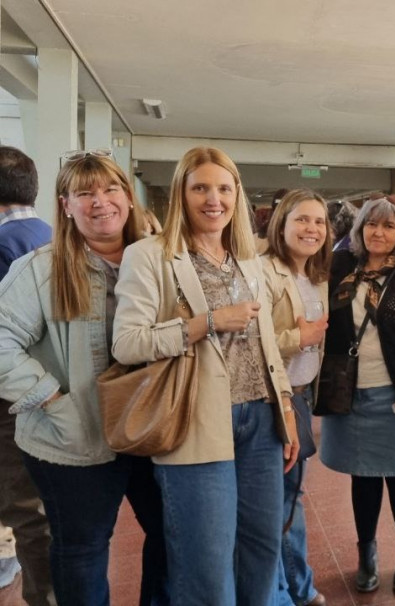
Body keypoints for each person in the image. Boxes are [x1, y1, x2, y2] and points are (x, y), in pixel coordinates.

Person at [113, 146, 299, 605]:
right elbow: (128, 344)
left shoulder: (248, 257)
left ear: (236, 194)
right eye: (200, 188)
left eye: (223, 188)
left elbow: (265, 343)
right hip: (196, 422)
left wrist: (287, 412)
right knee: (206, 565)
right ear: (182, 193)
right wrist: (208, 322)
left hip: (260, 422)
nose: (213, 199)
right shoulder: (150, 255)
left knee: (261, 549)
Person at [0, 151, 168, 605]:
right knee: (83, 549)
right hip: (73, 438)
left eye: (110, 189)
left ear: (129, 199)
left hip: (152, 430)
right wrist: (52, 400)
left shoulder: (159, 260)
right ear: (66, 205)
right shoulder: (42, 268)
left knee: (170, 537)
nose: (100, 202)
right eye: (84, 193)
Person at [319, 197, 395, 594]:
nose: (379, 233)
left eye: (389, 226)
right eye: (372, 224)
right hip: (349, 390)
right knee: (364, 476)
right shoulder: (339, 267)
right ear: (360, 229)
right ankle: (366, 554)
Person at [261, 189, 331, 606]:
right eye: (302, 220)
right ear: (281, 224)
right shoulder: (265, 271)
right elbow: (251, 340)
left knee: (289, 498)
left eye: (320, 221)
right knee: (278, 502)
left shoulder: (315, 276)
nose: (312, 229)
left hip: (301, 397)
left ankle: (294, 585)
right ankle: (287, 589)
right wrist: (297, 338)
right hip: (272, 401)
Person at [0, 145, 54, 606]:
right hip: (48, 391)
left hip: (12, 400)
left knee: (28, 514)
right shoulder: (48, 234)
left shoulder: (2, 244)